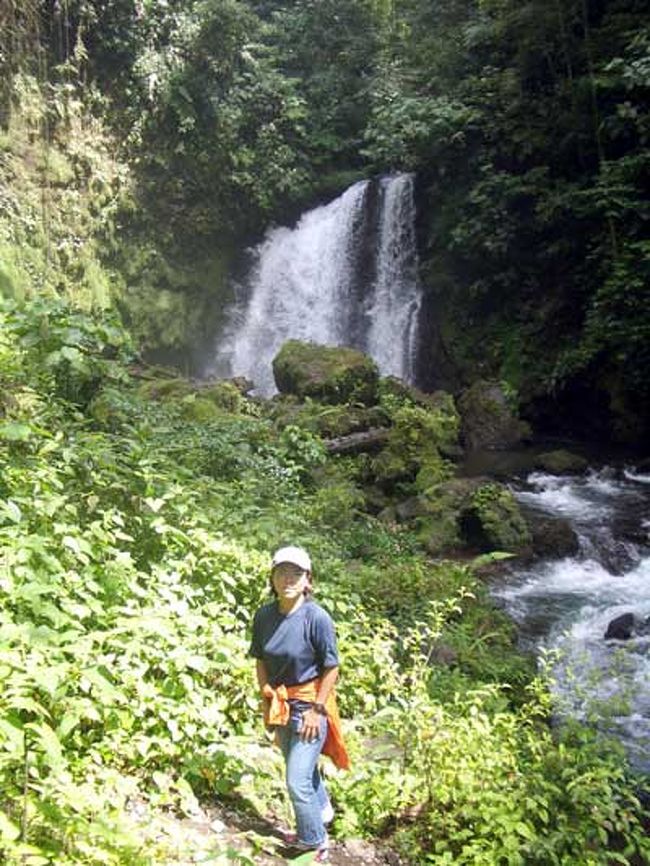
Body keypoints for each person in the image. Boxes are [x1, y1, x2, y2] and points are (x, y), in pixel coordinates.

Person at [249, 545, 349, 863]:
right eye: (281, 572)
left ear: (308, 580)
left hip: (309, 705)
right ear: (272, 578)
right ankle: (321, 812)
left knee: (295, 780)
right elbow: (260, 657)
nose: (288, 579)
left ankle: (315, 841)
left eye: (296, 573)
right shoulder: (264, 616)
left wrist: (317, 710)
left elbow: (332, 667)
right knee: (299, 766)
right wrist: (265, 691)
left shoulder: (316, 618)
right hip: (281, 705)